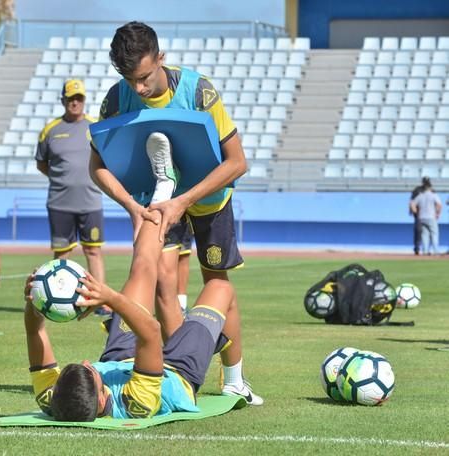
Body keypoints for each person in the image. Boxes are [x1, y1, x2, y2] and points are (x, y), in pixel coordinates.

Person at [91, 21, 262, 404]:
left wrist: (182, 201)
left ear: (161, 59)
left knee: (217, 281)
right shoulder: (117, 100)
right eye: (128, 78)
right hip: (154, 199)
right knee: (163, 283)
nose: (138, 88)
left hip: (207, 198)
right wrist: (132, 206)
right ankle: (172, 368)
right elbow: (97, 166)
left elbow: (237, 163)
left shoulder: (198, 92)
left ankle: (234, 378)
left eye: (145, 77)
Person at [25, 149, 237, 421]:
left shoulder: (51, 398)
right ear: (102, 399)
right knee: (220, 288)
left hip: (118, 359)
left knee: (141, 266)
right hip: (176, 373)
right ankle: (234, 380)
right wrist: (108, 297)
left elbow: (34, 332)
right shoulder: (138, 401)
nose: (90, 363)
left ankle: (162, 188)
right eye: (91, 372)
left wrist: (34, 302)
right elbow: (150, 331)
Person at [35, 80, 106, 288]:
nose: (75, 103)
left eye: (79, 98)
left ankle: (101, 302)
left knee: (93, 251)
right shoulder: (50, 130)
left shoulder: (95, 128)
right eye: (71, 98)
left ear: (84, 100)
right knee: (62, 253)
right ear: (63, 100)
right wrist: (63, 179)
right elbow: (41, 164)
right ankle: (59, 295)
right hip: (60, 203)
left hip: (90, 201)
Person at [410, 177, 442, 255]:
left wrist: (416, 212)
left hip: (422, 217)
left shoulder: (420, 195)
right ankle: (436, 251)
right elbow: (439, 205)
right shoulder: (433, 195)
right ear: (430, 187)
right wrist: (437, 214)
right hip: (431, 217)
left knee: (425, 235)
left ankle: (425, 251)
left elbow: (412, 204)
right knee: (434, 233)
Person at [409, 178, 426, 255]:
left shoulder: (431, 191)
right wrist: (412, 210)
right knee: (418, 231)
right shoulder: (417, 190)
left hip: (428, 215)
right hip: (419, 214)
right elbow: (412, 201)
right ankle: (417, 248)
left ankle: (427, 249)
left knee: (428, 233)